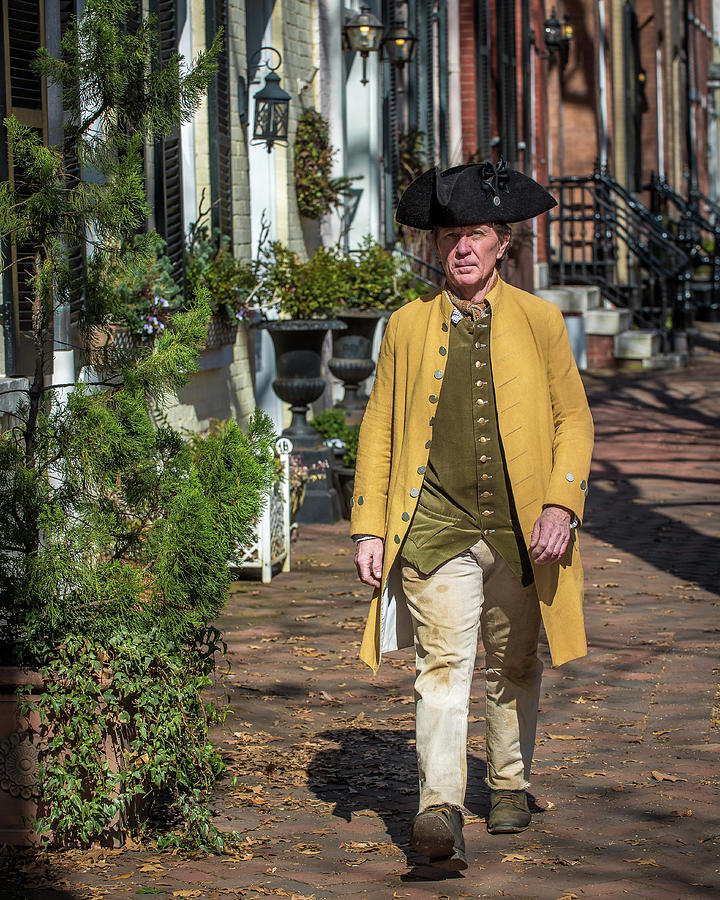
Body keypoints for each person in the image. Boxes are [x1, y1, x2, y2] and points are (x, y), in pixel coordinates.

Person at [350, 160, 594, 871]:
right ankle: (439, 810)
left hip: (523, 530)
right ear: (435, 247)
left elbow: (572, 422)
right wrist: (368, 525)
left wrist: (560, 504)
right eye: (450, 236)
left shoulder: (542, 322)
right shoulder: (405, 328)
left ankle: (511, 780)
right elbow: (377, 428)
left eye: (477, 234)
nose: (461, 248)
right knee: (443, 664)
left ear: (502, 245)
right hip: (434, 527)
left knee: (512, 660)